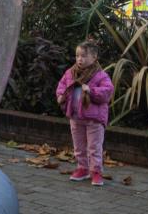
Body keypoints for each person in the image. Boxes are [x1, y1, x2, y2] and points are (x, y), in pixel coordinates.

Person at [55, 40, 114, 186]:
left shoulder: (100, 75)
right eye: (77, 55)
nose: (79, 59)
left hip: (94, 118)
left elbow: (108, 92)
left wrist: (92, 91)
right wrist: (61, 95)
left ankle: (96, 172)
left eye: (84, 56)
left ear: (94, 58)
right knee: (79, 146)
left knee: (94, 147)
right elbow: (61, 86)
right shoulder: (70, 73)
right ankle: (82, 168)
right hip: (75, 116)